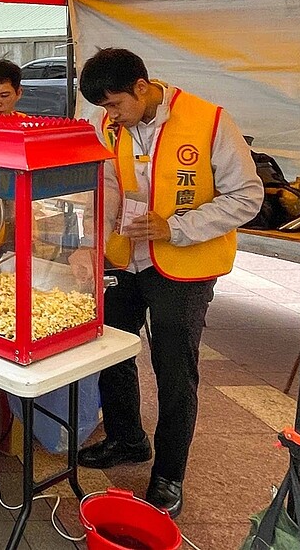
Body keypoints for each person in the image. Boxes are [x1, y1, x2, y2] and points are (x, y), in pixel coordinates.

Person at [75, 48, 262, 518]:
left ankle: (168, 475)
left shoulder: (210, 121)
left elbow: (248, 195)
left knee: (174, 369)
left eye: (115, 104)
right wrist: (91, 246)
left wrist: (175, 227)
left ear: (142, 87)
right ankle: (126, 438)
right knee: (111, 349)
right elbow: (108, 187)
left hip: (185, 265)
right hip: (125, 259)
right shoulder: (108, 124)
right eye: (103, 108)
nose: (109, 115)